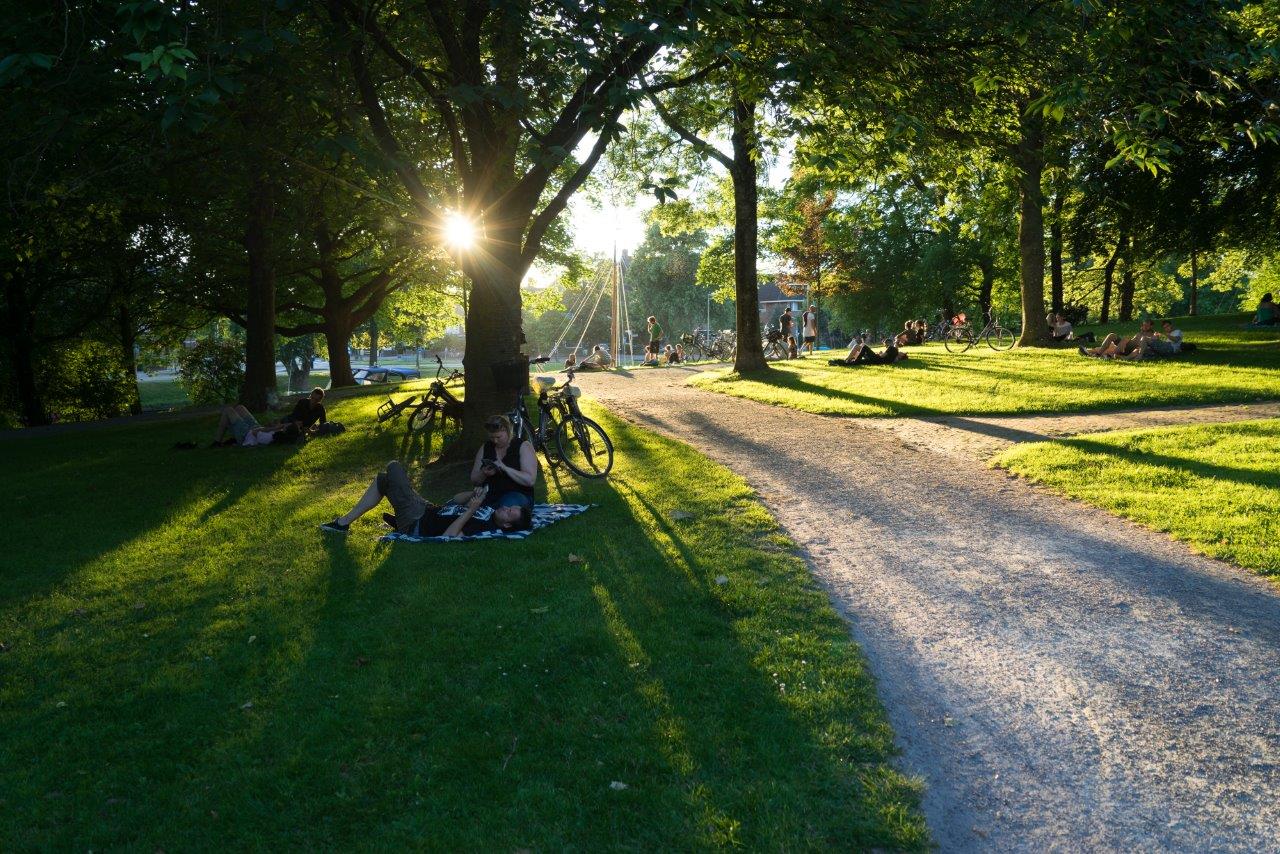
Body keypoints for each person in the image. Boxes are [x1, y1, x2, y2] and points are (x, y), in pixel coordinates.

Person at [320, 462, 530, 537]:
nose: (507, 507)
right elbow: (454, 501)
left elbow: (447, 537)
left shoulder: (485, 529)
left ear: (508, 525)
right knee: (383, 480)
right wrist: (474, 494)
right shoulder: (489, 510)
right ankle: (343, 523)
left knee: (393, 468)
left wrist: (471, 511)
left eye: (510, 512)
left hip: (418, 521)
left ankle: (402, 524)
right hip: (428, 508)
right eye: (511, 507)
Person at [470, 413, 538, 510]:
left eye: (498, 437)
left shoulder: (523, 446)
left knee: (505, 507)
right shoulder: (486, 447)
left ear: (508, 431)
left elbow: (530, 480)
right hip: (490, 493)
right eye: (492, 437)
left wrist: (505, 468)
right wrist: (483, 473)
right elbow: (474, 479)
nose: (495, 441)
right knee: (464, 504)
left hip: (517, 494)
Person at [212, 404, 298, 447]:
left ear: (285, 431)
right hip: (256, 427)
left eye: (285, 427)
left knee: (228, 410)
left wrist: (273, 428)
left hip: (246, 435)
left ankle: (217, 442)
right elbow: (293, 426)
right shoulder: (280, 432)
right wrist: (277, 426)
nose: (283, 426)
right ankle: (223, 439)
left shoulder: (269, 438)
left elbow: (255, 432)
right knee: (240, 407)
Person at [1080, 319, 1156, 358]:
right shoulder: (1140, 332)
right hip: (1126, 345)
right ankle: (1097, 353)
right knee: (1112, 335)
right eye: (1143, 325)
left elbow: (1146, 346)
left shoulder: (1152, 334)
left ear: (1151, 326)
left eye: (1146, 325)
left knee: (1122, 341)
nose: (1144, 327)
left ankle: (1107, 354)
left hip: (1130, 350)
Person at [830, 338, 908, 366]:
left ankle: (853, 360)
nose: (902, 352)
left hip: (877, 359)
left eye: (902, 353)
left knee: (864, 347)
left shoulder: (893, 349)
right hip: (877, 360)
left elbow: (882, 356)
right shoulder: (895, 356)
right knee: (860, 346)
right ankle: (847, 360)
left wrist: (880, 353)